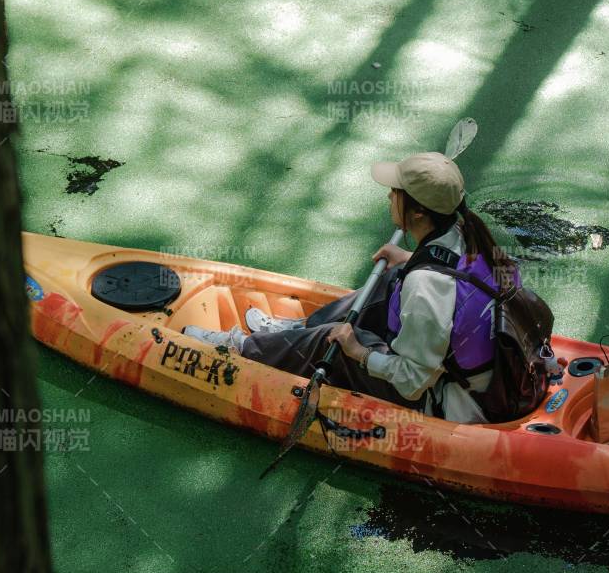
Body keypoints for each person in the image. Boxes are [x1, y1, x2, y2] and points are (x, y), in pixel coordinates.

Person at [182, 152, 518, 424]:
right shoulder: (466, 236)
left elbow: (413, 383)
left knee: (335, 342)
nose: (389, 195)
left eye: (396, 192)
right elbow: (451, 281)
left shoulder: (425, 286)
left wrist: (359, 353)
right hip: (471, 372)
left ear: (418, 212)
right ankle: (298, 330)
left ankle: (242, 348)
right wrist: (408, 259)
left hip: (449, 401)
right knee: (392, 277)